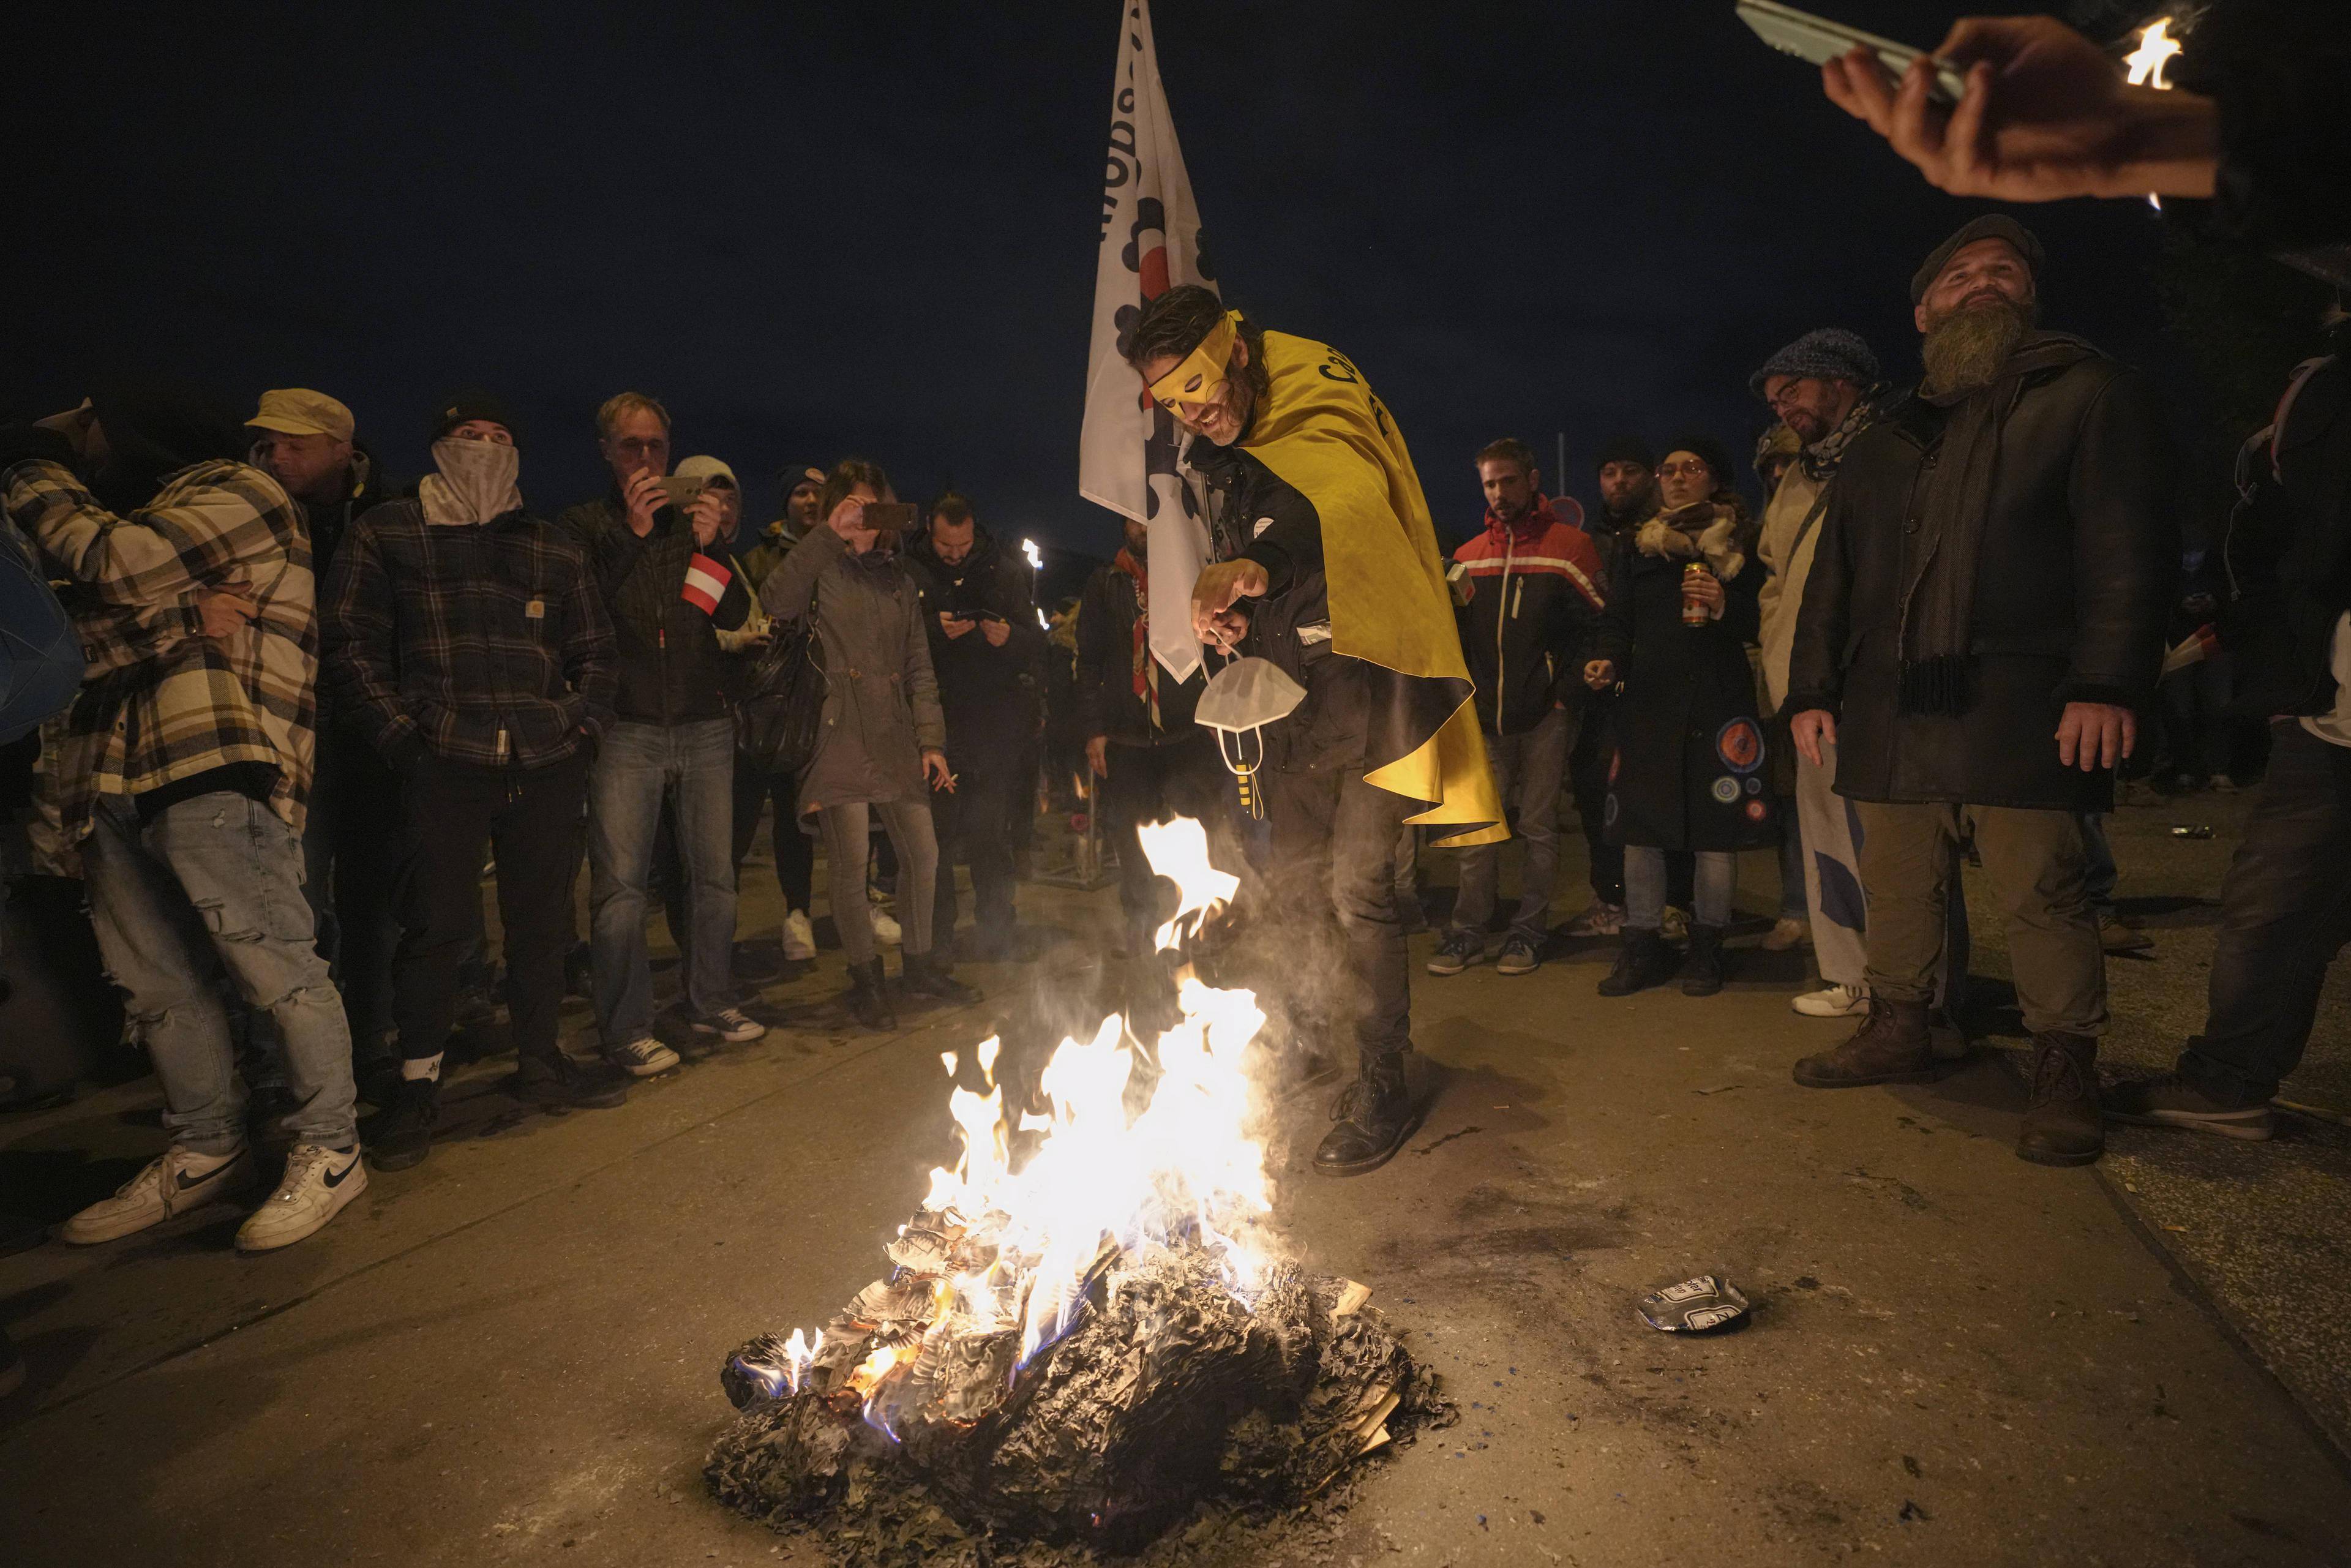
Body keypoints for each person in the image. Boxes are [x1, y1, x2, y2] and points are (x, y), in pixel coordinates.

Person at [1785, 216, 2175, 1168]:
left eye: (2004, 271)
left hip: (2023, 692)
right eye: (1961, 275)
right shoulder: (1886, 438)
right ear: (1924, 310)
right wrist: (1811, 687)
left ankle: (2066, 1066)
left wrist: (2106, 681)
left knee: (2041, 887)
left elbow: (2125, 545)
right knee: (1898, 881)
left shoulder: (2085, 392)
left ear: (2030, 296)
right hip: (1889, 698)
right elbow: (1833, 574)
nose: (1984, 282)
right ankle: (1902, 1024)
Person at [1125, 285, 1502, 1177]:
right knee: (1286, 880)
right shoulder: (1215, 447)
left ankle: (1383, 1079)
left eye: (1206, 386)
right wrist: (1232, 617)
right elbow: (1247, 547)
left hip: (1365, 689)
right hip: (1285, 699)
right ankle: (1310, 1026)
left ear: (1240, 352)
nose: (1199, 411)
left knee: (1357, 889)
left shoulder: (1315, 387)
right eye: (1176, 402)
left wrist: (1262, 563)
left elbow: (1339, 502)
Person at [2, 381, 365, 1251]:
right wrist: (180, 618)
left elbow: (115, 565)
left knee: (274, 962)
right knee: (157, 986)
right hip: (109, 777)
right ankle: (206, 1145)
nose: (87, 450)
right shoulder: (148, 517)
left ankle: (331, 1145)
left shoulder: (238, 492)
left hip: (214, 758)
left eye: (92, 432)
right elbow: (71, 648)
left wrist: (29, 467)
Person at [325, 391, 632, 1172]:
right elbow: (351, 645)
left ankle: (540, 1057)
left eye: (501, 435)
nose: (486, 446)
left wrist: (580, 728)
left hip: (543, 758)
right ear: (438, 445)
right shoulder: (389, 532)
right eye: (469, 434)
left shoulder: (550, 546)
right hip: (445, 758)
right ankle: (417, 1081)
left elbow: (596, 648)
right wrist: (404, 738)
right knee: (438, 924)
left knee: (541, 922)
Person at [2104, 301, 2351, 1141]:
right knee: (2274, 907)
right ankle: (2231, 1080)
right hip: (2331, 719)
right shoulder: (2316, 406)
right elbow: (2288, 549)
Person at [758, 459, 977, 1027]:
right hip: (837, 732)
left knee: (923, 854)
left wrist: (931, 740)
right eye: (855, 507)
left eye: (874, 509)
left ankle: (920, 964)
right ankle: (865, 976)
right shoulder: (820, 566)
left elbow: (919, 666)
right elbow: (776, 599)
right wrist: (830, 534)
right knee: (851, 864)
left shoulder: (898, 579)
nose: (867, 521)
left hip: (893, 734)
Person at [585, 435, 767, 1078]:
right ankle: (626, 1026)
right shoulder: (593, 527)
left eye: (656, 445)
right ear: (610, 452)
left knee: (715, 876)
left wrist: (712, 546)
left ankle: (710, 999)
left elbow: (723, 614)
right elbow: (584, 607)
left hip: (703, 722)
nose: (645, 457)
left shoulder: (689, 538)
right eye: (630, 444)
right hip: (627, 726)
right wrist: (632, 532)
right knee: (621, 890)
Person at [246, 388, 403, 1093]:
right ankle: (296, 1065)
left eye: (296, 444)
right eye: (269, 442)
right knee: (293, 905)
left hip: (369, 734)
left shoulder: (389, 514)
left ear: (344, 449)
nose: (279, 455)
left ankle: (371, 1042)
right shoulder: (248, 508)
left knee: (374, 901)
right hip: (286, 733)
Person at [1749, 329, 1905, 1018]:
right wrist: (1780, 666)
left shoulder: (1894, 456)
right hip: (1805, 693)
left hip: (1872, 686)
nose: (1783, 408)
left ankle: (1907, 981)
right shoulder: (1797, 478)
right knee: (1826, 835)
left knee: (1894, 848)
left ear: (1840, 381)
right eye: (1776, 399)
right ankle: (1850, 974)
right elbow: (1777, 583)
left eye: (1793, 391)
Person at [1586, 436, 1775, 1000]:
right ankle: (1641, 943)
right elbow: (1618, 619)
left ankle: (1707, 946)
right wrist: (1607, 657)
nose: (1676, 477)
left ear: (1715, 478)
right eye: (1668, 470)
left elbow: (1765, 618)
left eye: (1690, 468)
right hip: (1648, 702)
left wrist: (1725, 605)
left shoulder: (1746, 542)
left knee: (1715, 831)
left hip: (1719, 703)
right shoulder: (1639, 547)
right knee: (1641, 829)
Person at [1427, 438, 1605, 978]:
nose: (1499, 492)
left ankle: (1528, 933)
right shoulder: (1468, 556)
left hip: (1544, 716)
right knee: (1477, 830)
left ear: (1531, 479)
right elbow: (1451, 633)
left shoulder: (1570, 547)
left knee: (1538, 827)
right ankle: (1468, 933)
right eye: (1489, 483)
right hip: (1483, 718)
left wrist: (1563, 693)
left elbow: (1600, 628)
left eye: (1507, 480)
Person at [677, 456, 819, 967]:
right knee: (716, 843)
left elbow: (733, 614)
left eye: (731, 498)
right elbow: (687, 626)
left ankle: (770, 926)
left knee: (785, 823)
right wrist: (737, 640)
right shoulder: (689, 555)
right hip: (707, 721)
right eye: (710, 497)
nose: (723, 508)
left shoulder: (726, 558)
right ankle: (706, 951)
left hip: (766, 714)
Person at [1076, 514, 1225, 958]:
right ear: (1122, 523)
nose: (1142, 526)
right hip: (1128, 740)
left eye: (1149, 518)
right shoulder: (1106, 584)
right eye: (1132, 519)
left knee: (1202, 834)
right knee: (1132, 843)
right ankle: (1142, 931)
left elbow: (1215, 652)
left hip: (1187, 734)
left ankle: (1202, 926)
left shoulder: (1191, 577)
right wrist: (1095, 730)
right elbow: (1089, 662)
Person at [905, 492, 1043, 959]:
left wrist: (1010, 638)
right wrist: (933, 631)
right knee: (935, 843)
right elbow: (897, 645)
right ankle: (936, 941)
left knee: (989, 835)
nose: (956, 554)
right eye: (947, 546)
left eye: (962, 545)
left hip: (991, 729)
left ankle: (998, 933)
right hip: (936, 728)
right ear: (930, 530)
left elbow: (1035, 641)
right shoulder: (911, 570)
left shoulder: (1001, 569)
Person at [1559, 437, 1656, 938]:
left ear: (1651, 476)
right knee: (1595, 785)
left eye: (1630, 471)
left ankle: (1668, 905)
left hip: (1655, 684)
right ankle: (1610, 899)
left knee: (1655, 793)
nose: (1619, 481)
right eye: (1609, 472)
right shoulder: (1588, 539)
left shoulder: (1666, 533)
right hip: (1598, 689)